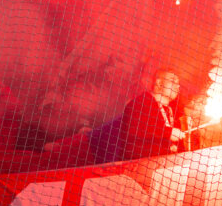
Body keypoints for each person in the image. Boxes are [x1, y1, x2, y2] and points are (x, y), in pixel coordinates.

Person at [46, 68, 182, 164]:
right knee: (47, 160)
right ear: (158, 83)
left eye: (178, 82)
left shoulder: (168, 110)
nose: (177, 85)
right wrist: (168, 132)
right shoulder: (143, 102)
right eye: (173, 81)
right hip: (98, 152)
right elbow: (136, 130)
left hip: (137, 165)